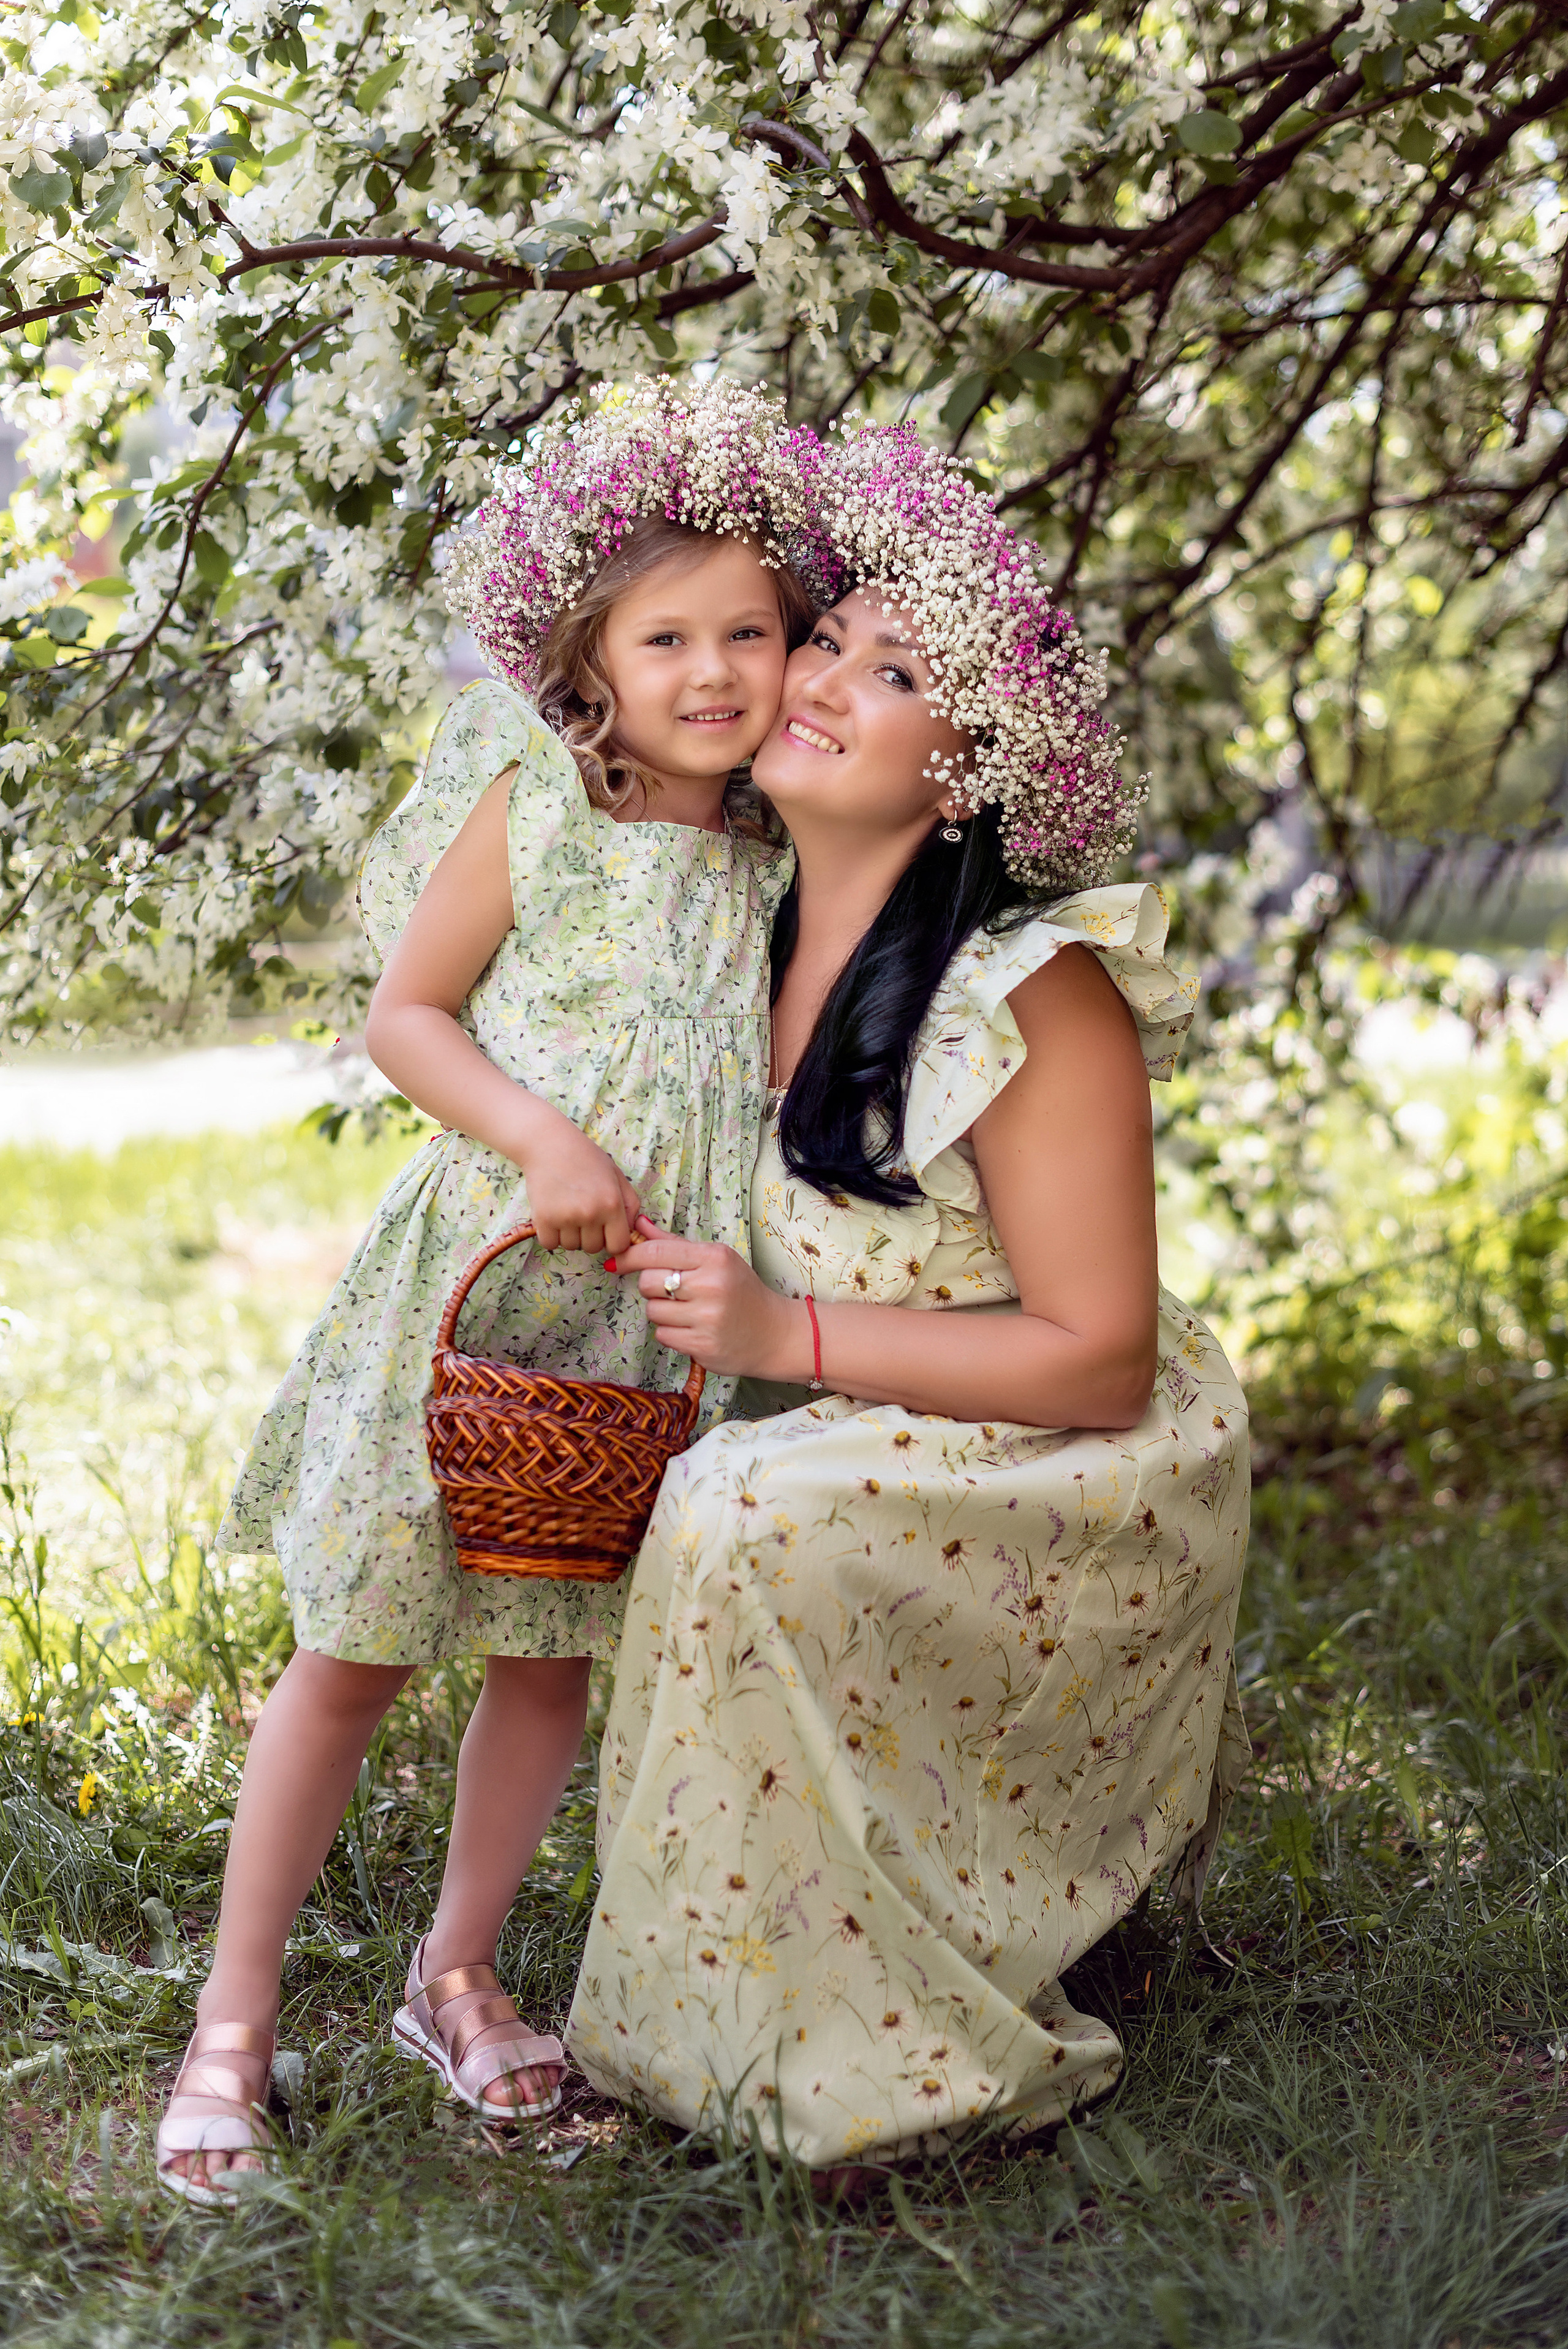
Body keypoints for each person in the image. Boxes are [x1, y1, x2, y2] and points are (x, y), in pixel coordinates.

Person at [155, 379, 826, 2205]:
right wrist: (540, 1136)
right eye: (666, 634)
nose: (712, 670)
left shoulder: (784, 853)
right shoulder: (542, 798)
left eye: (748, 632)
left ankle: (454, 1970)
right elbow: (404, 1015)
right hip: (478, 1278)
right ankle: (235, 2005)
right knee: (357, 1643)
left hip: (642, 1320)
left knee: (547, 1661)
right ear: (590, 659)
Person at [568, 423, 1251, 2173]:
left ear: (966, 773)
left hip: (1074, 1479)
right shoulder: (750, 928)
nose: (821, 679)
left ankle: (854, 2051)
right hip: (892, 1434)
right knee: (705, 1492)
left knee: (737, 1497)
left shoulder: (1033, 992)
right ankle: (697, 2021)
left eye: (895, 671)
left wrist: (780, 1341)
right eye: (835, 636)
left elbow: (1098, 1355)